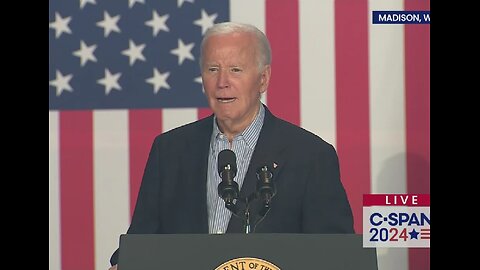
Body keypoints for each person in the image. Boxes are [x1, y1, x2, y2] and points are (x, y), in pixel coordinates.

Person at [108, 22, 354, 269]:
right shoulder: (170, 151)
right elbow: (141, 241)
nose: (222, 82)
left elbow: (336, 255)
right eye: (213, 69)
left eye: (236, 70)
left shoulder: (310, 156)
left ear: (263, 79)